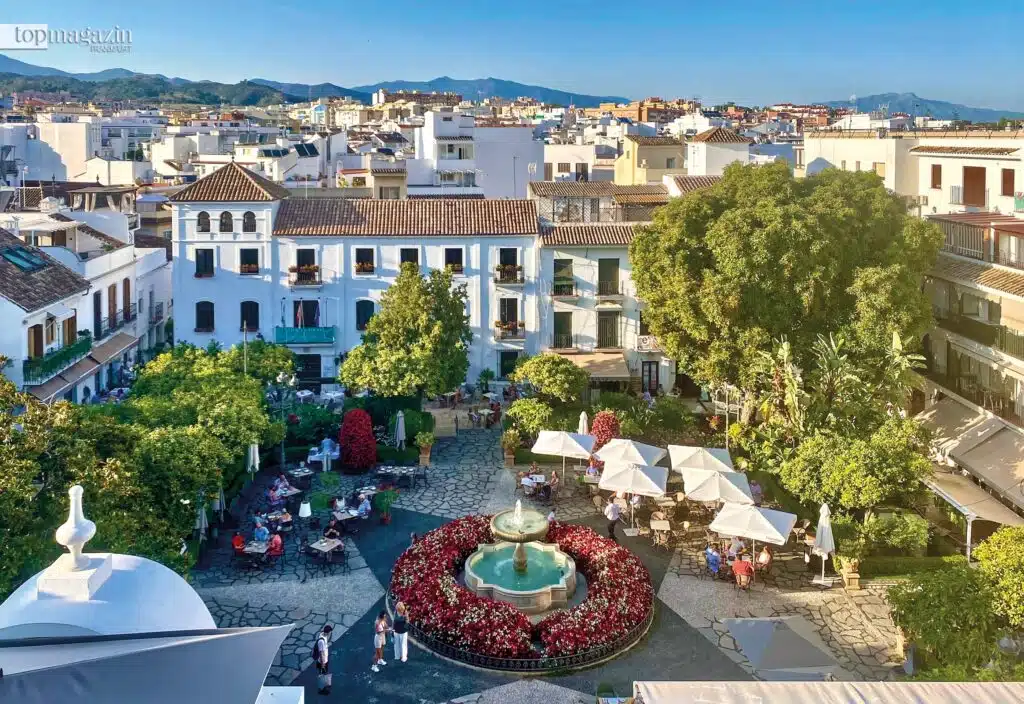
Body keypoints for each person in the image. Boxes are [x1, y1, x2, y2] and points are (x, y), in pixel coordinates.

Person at [315, 624, 333, 695]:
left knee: (324, 673)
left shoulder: (323, 635)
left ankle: (323, 686)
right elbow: (321, 653)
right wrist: (323, 664)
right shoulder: (321, 641)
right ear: (328, 632)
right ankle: (321, 689)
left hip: (325, 660)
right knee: (322, 673)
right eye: (330, 632)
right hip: (322, 661)